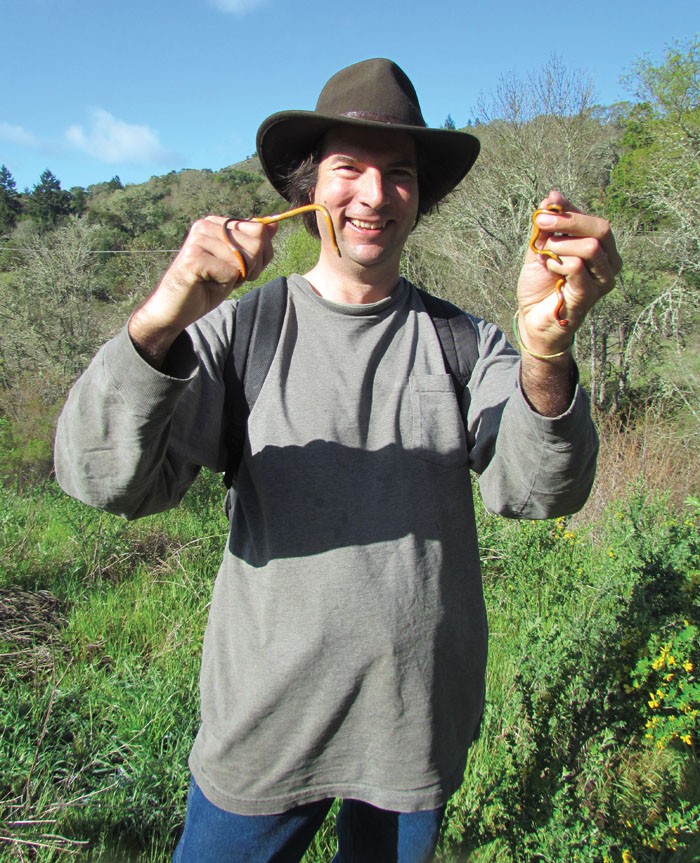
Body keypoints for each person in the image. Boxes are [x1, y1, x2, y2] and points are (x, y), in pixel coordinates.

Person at [54, 58, 620, 862]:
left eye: (399, 175)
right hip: (262, 735)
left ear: (420, 199)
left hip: (409, 734)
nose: (374, 194)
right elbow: (100, 477)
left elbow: (538, 490)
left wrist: (548, 349)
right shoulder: (241, 332)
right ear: (308, 189)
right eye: (348, 168)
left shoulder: (468, 344)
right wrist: (160, 319)